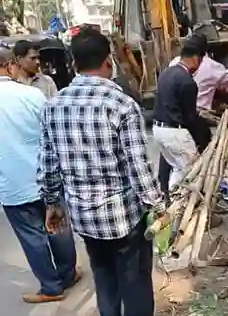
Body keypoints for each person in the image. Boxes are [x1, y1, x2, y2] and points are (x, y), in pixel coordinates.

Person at [39, 28, 165, 316]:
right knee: (135, 287)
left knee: (104, 280)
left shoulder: (53, 106)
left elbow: (48, 163)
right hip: (123, 220)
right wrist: (158, 207)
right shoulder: (121, 105)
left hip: (84, 217)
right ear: (109, 62)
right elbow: (138, 168)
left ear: (73, 64)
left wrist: (51, 203)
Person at [0, 46, 81, 304]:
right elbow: (55, 134)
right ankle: (67, 275)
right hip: (46, 177)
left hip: (12, 184)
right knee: (57, 227)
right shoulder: (32, 95)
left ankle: (51, 286)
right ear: (10, 64)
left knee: (32, 237)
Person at [152, 36, 211, 197]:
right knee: (195, 170)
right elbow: (190, 118)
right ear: (195, 58)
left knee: (179, 168)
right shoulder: (187, 82)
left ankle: (169, 202)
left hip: (158, 130)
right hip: (174, 132)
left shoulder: (166, 72)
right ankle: (185, 208)